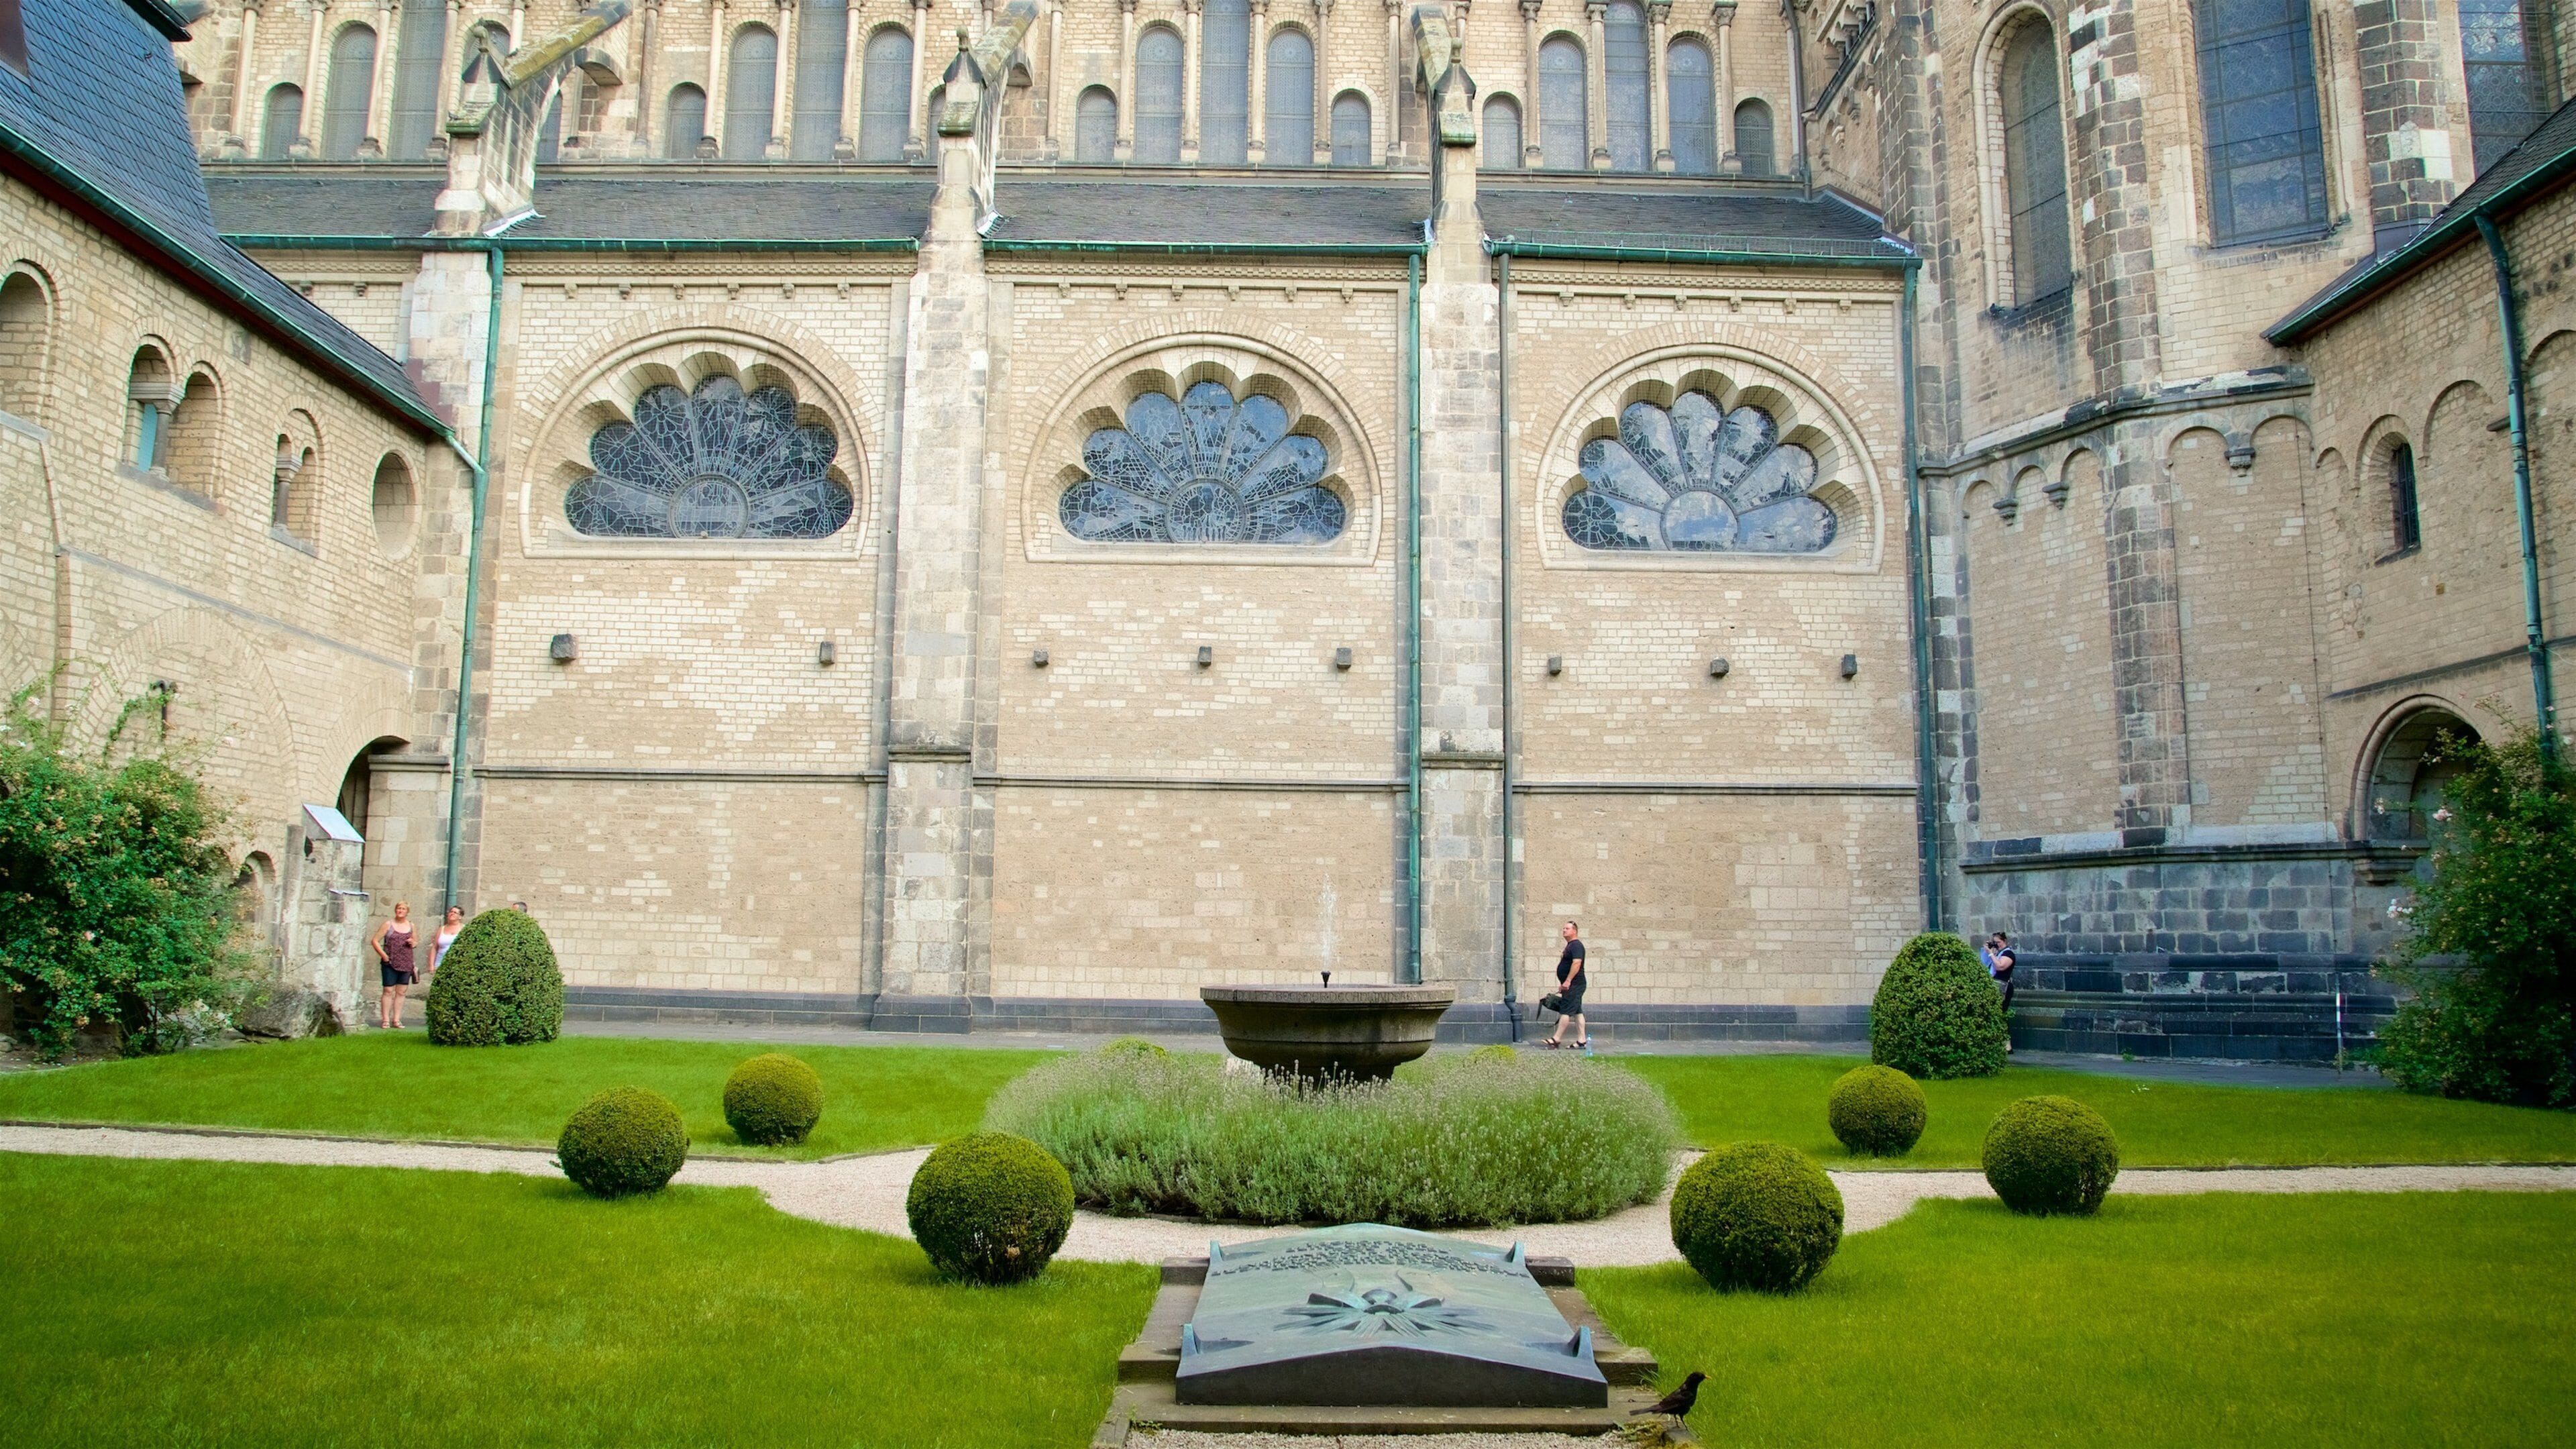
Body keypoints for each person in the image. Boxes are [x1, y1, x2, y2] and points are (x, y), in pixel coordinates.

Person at [1543, 919, 1589, 1054]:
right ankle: (1582, 1040)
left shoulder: (1576, 946)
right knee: (1577, 1012)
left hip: (1575, 984)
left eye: (1567, 929)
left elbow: (1577, 963)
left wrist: (1568, 981)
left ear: (1575, 931)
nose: (1564, 930)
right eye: (1563, 928)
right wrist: (1564, 983)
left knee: (1566, 1011)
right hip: (1571, 985)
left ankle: (1556, 1039)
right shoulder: (1570, 946)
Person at [371, 902, 418, 1030]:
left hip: (406, 962)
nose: (400, 911)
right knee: (388, 991)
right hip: (390, 962)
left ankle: (396, 1020)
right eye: (398, 908)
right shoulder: (388, 924)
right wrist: (384, 955)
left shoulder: (411, 925)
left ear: (407, 912)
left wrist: (412, 942)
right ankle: (386, 1020)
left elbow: (416, 942)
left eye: (403, 909)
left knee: (401, 992)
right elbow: (375, 941)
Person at [1983, 931, 2017, 1051]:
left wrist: (1990, 954)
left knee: (2001, 1014)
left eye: (1999, 942)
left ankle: (2007, 1045)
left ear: (2005, 941)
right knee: (1994, 1014)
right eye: (1995, 943)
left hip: (2003, 987)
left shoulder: (2008, 954)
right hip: (1995, 985)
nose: (1997, 945)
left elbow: (2000, 966)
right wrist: (1988, 951)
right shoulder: (1998, 953)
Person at [429, 905, 464, 975]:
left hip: (457, 964)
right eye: (451, 912)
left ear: (460, 917)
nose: (452, 913)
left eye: (455, 912)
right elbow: (434, 947)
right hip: (440, 963)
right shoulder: (441, 929)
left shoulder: (464, 929)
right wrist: (431, 966)